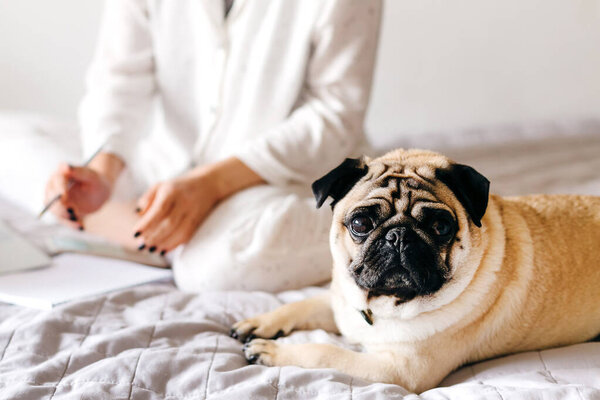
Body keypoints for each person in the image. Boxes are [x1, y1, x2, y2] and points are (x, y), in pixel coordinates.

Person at [44, 0, 382, 292]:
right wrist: (102, 173)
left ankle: (365, 225)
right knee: (18, 150)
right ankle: (155, 228)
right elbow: (120, 78)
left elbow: (335, 113)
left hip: (290, 176)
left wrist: (212, 184)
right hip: (169, 167)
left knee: (211, 267)